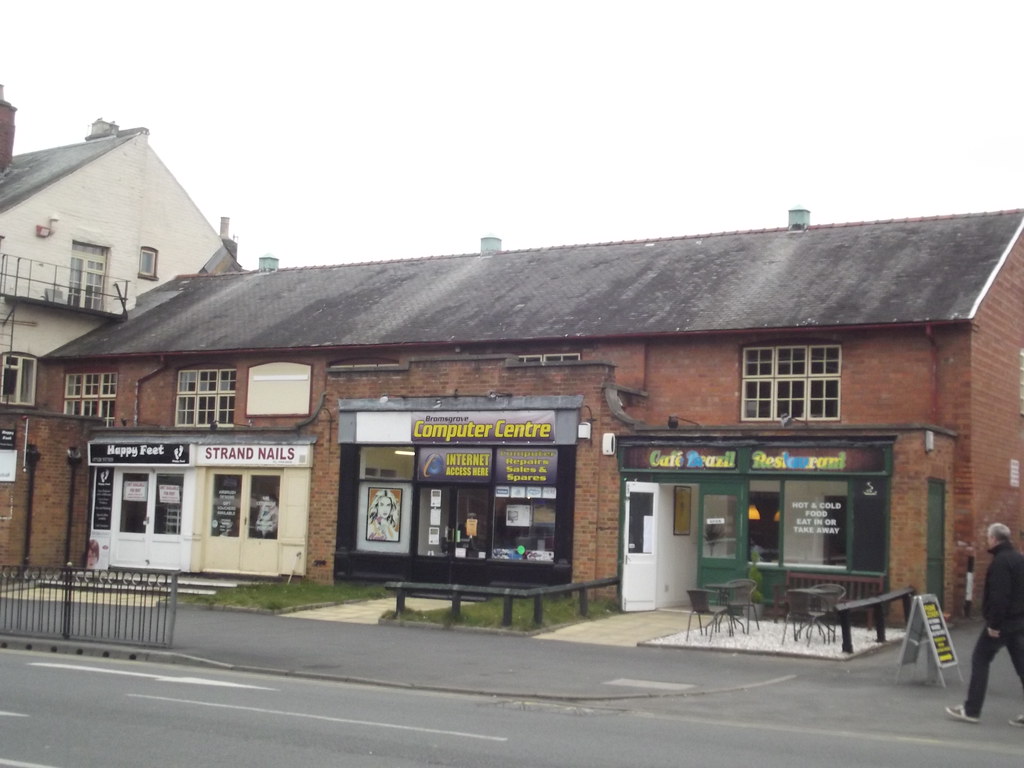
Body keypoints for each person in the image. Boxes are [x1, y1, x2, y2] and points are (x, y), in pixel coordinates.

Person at [945, 522, 1024, 726]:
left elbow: (999, 597)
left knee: (980, 659)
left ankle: (972, 709)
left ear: (994, 539)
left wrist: (994, 625)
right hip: (1018, 621)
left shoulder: (1000, 563)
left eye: (989, 537)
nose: (987, 540)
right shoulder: (1019, 559)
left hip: (1002, 623)